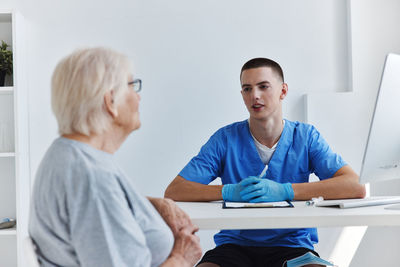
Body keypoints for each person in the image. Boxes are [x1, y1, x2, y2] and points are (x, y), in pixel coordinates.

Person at [164, 57, 366, 267]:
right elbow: (175, 190)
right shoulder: (225, 139)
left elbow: (355, 186)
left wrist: (286, 190)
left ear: (283, 91)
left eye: (263, 86)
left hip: (292, 247)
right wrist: (227, 192)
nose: (255, 96)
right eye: (247, 89)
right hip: (234, 247)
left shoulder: (305, 137)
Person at [29, 47, 202, 267]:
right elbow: (98, 200)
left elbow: (96, 211)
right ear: (110, 100)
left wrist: (152, 205)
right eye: (132, 85)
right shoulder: (92, 177)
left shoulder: (68, 154)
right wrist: (181, 258)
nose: (138, 97)